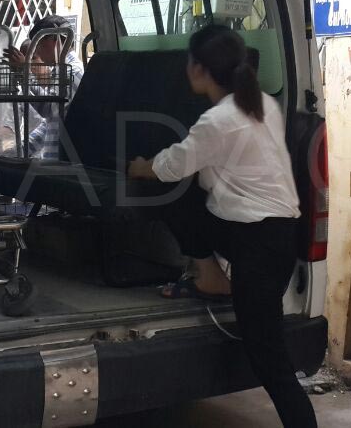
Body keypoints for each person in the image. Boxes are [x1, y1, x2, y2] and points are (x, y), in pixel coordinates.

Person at [127, 24, 316, 428]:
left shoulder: (217, 121)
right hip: (268, 234)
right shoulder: (264, 104)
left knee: (270, 361)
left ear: (199, 69)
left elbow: (171, 165)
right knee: (185, 197)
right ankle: (211, 277)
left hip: (257, 246)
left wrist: (140, 167)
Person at [3, 14, 84, 160]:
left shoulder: (71, 71)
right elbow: (49, 124)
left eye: (39, 45)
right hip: (54, 160)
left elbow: (49, 109)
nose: (37, 52)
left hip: (63, 162)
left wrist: (24, 73)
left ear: (54, 40)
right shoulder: (62, 70)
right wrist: (17, 152)